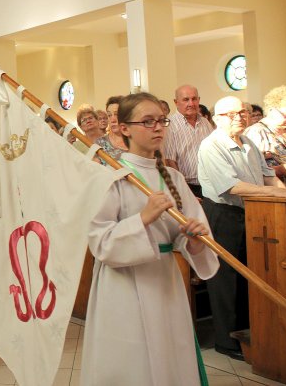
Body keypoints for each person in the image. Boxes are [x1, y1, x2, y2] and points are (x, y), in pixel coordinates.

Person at [81, 92, 219, 385]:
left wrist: (193, 239)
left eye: (161, 120)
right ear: (124, 128)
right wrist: (144, 218)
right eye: (147, 121)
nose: (158, 127)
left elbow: (187, 236)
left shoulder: (172, 177)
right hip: (124, 287)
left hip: (165, 283)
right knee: (135, 365)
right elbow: (100, 242)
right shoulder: (110, 177)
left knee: (170, 357)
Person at [198, 96, 286, 360]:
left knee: (251, 272)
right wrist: (275, 195)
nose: (240, 117)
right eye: (232, 114)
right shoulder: (211, 145)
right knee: (226, 277)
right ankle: (225, 341)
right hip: (223, 214)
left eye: (244, 112)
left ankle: (251, 331)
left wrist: (284, 197)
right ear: (217, 118)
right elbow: (231, 187)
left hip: (253, 213)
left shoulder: (248, 141)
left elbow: (269, 175)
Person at [163, 85, 214, 198]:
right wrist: (184, 190)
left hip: (210, 184)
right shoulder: (170, 125)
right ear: (176, 102)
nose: (191, 103)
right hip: (189, 187)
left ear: (199, 100)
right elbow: (170, 161)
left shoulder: (205, 122)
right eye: (186, 99)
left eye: (194, 99)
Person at [244, 86, 286, 187]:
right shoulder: (256, 133)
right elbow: (250, 170)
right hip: (277, 196)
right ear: (271, 110)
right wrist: (280, 170)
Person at [95, 96, 128, 162]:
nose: (112, 120)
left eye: (116, 114)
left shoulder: (136, 142)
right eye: (109, 115)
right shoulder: (100, 144)